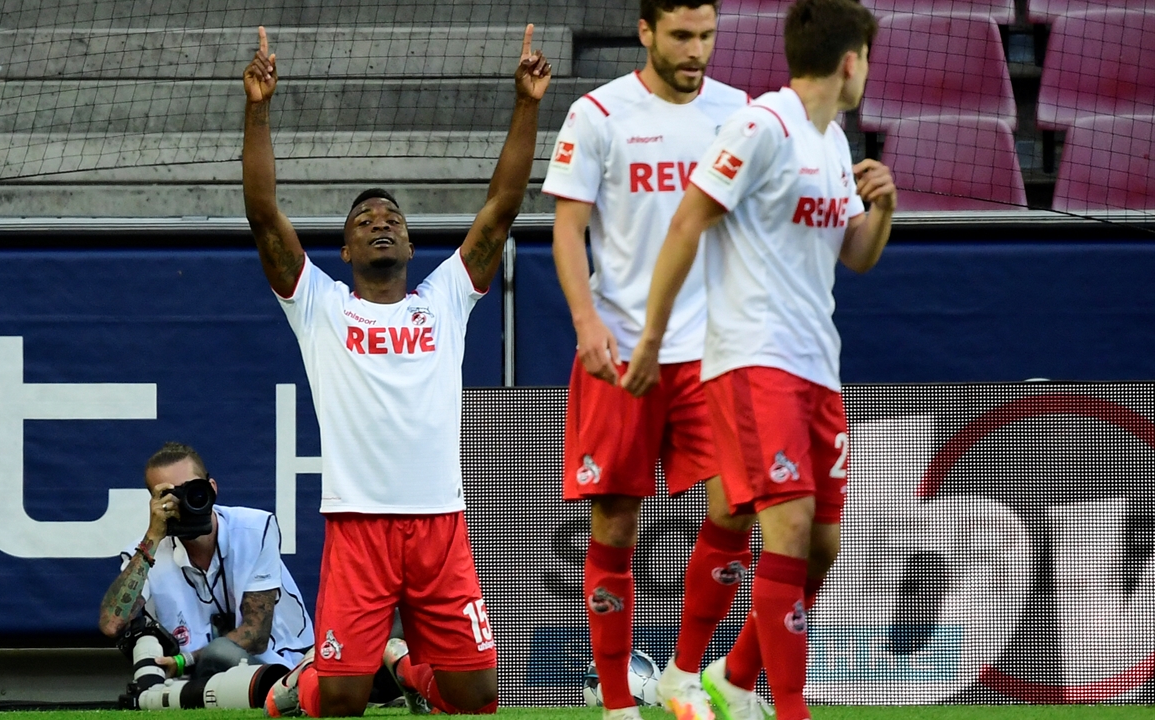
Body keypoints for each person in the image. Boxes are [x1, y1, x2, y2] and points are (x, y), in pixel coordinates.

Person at [240, 24, 551, 717]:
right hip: (359, 529)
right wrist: (258, 107)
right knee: (341, 699)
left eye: (392, 217)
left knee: (479, 699)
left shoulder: (445, 299)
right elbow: (263, 214)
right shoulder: (319, 305)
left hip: (440, 527)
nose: (380, 222)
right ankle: (298, 689)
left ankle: (407, 668)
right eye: (363, 220)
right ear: (345, 251)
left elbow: (501, 210)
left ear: (410, 243)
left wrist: (526, 104)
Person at [622, 1, 895, 719]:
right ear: (849, 61)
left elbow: (858, 254)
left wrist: (885, 207)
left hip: (817, 370)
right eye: (867, 58)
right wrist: (652, 338)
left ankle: (735, 676)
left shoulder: (833, 142)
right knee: (790, 528)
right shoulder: (761, 126)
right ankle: (790, 707)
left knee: (824, 548)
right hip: (751, 360)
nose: (868, 70)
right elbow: (688, 221)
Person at [541, 2, 751, 719]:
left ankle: (683, 672)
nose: (697, 51)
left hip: (712, 355)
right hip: (623, 353)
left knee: (738, 506)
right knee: (615, 527)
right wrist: (585, 319)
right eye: (683, 37)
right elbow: (567, 231)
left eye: (707, 37)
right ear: (647, 33)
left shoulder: (740, 113)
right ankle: (615, 705)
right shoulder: (599, 115)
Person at [99, 442, 314, 686]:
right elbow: (111, 625)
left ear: (212, 488)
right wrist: (153, 536)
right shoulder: (146, 551)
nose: (183, 502)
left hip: (276, 666)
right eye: (170, 496)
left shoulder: (255, 528)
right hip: (197, 680)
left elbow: (256, 635)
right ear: (154, 502)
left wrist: (184, 660)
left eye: (193, 490)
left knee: (219, 654)